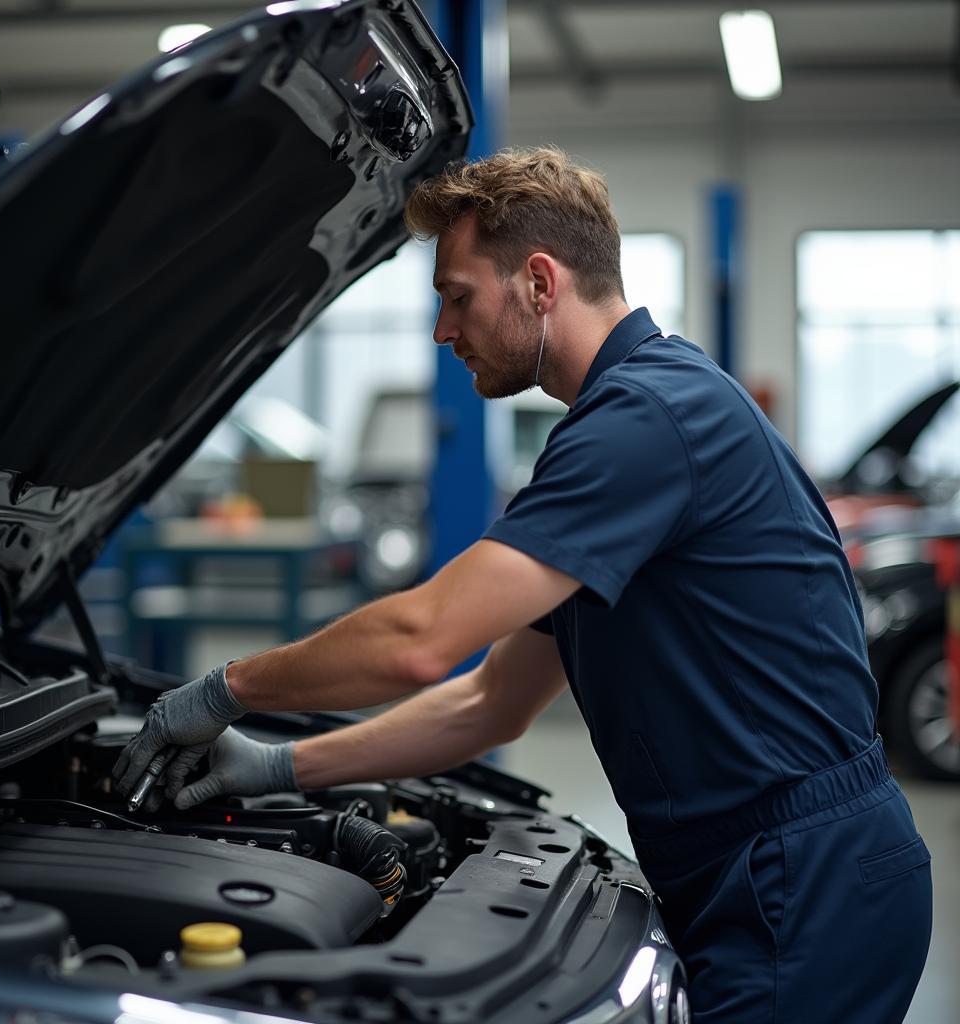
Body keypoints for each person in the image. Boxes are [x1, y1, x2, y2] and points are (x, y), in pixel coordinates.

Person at [114, 147, 932, 1023]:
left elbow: (420, 640)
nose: (441, 329)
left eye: (457, 295)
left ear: (540, 282)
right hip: (763, 871)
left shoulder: (647, 419)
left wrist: (225, 689)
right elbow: (491, 704)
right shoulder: (631, 421)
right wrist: (277, 764)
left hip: (799, 881)